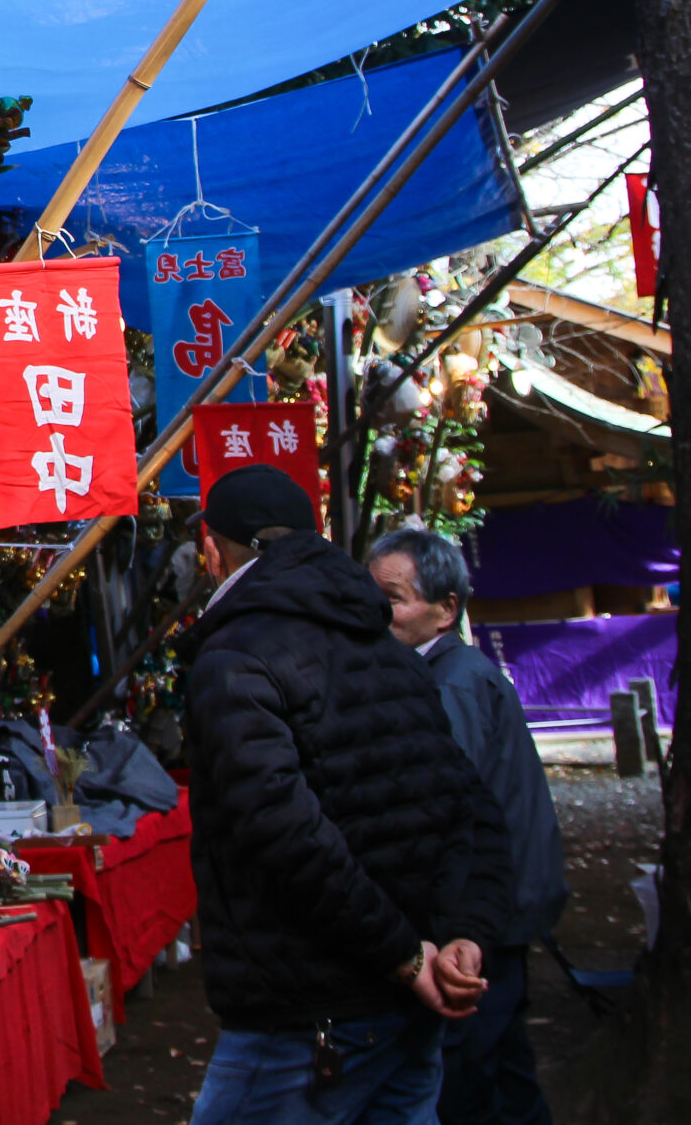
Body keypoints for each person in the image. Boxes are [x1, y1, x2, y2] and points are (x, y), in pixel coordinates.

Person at [183, 465, 513, 1125]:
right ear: (316, 537)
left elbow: (286, 833)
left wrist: (412, 952)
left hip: (308, 1012)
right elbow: (466, 804)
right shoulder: (386, 647)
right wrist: (455, 937)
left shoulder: (234, 659)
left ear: (211, 548)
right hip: (401, 992)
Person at [369, 527, 566, 1125]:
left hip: (488, 913)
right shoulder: (446, 672)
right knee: (505, 1066)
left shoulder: (451, 681)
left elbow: (443, 805)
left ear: (445, 608)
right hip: (503, 900)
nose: (382, 615)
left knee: (472, 1074)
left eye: (395, 599)